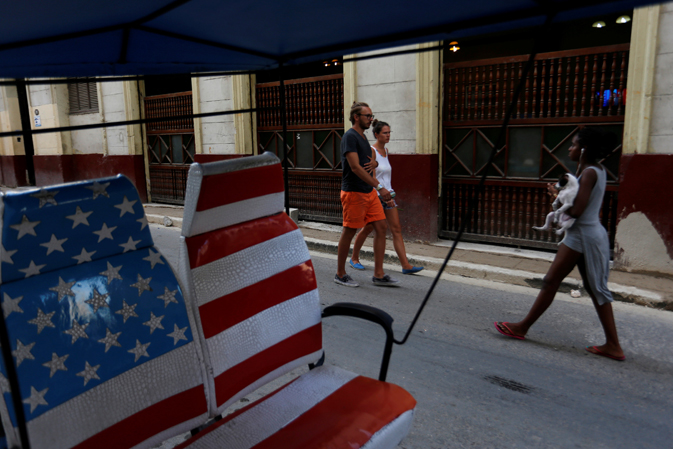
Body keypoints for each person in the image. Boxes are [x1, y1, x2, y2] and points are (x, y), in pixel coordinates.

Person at [494, 128, 625, 362]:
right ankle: (613, 345)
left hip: (583, 235)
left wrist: (557, 195)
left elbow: (576, 210)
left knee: (553, 281)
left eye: (573, 145)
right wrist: (560, 197)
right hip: (586, 234)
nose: (570, 149)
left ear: (583, 149)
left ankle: (522, 327)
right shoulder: (597, 170)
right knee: (593, 288)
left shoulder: (589, 174)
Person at [334, 102, 399, 287]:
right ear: (357, 117)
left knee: (381, 227)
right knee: (349, 231)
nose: (371, 119)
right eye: (367, 116)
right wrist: (380, 187)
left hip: (368, 191)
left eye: (371, 116)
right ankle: (340, 273)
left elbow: (367, 162)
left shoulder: (362, 138)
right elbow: (354, 167)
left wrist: (375, 165)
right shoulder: (350, 137)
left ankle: (379, 275)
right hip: (354, 192)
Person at [349, 120, 424, 275]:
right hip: (377, 196)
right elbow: (372, 176)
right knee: (368, 228)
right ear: (376, 134)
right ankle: (354, 258)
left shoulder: (386, 151)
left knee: (396, 229)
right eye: (385, 133)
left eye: (389, 132)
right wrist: (381, 192)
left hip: (389, 195)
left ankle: (406, 265)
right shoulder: (371, 151)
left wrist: (388, 194)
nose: (388, 135)